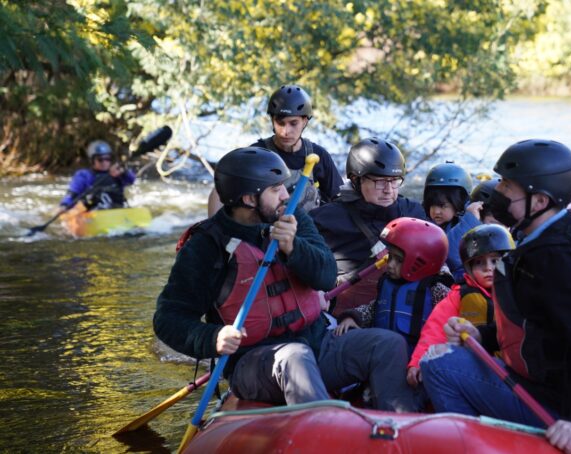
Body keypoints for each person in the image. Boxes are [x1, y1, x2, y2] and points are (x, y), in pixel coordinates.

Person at [420, 139, 571, 453]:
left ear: (539, 201)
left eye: (508, 186)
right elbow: (543, 328)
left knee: (438, 365)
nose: (497, 191)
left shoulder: (554, 258)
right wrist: (484, 335)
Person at [155, 147, 419, 412]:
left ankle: (400, 434)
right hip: (253, 362)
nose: (285, 195)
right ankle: (324, 432)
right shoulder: (206, 246)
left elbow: (327, 276)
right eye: (275, 189)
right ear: (248, 198)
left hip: (317, 344)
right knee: (295, 358)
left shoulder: (291, 216)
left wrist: (293, 247)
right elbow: (168, 319)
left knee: (387, 344)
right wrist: (212, 337)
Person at [310, 137, 426, 316]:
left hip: (402, 311)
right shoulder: (326, 218)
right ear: (356, 180)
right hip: (341, 317)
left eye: (394, 180)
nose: (389, 190)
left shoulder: (413, 213)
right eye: (380, 181)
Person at [207, 85, 343, 216]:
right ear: (272, 120)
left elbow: (340, 200)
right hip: (267, 234)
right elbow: (219, 192)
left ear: (305, 121)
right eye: (280, 123)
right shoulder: (257, 153)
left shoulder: (319, 155)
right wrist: (212, 232)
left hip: (309, 234)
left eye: (293, 123)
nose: (286, 131)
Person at [407, 224, 514, 387]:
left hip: (513, 370)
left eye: (495, 261)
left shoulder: (519, 291)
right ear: (469, 269)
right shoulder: (458, 295)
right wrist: (418, 361)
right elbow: (435, 329)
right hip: (474, 369)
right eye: (479, 263)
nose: (488, 268)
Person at [334, 217, 452, 351]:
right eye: (390, 256)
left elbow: (449, 328)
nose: (389, 265)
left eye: (399, 260)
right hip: (381, 353)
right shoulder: (388, 282)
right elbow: (376, 307)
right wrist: (354, 317)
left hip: (416, 362)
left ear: (421, 261)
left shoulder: (437, 291)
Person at [422, 162, 483, 281]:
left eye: (443, 206)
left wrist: (469, 220)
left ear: (458, 205)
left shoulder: (467, 224)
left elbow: (454, 255)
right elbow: (444, 254)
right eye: (432, 205)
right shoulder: (426, 226)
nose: (436, 211)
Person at [60, 140, 135, 210]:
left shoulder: (117, 173)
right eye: (100, 159)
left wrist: (124, 172)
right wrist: (65, 205)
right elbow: (72, 194)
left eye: (107, 159)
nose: (104, 162)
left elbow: (131, 180)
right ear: (92, 160)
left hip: (116, 211)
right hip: (94, 213)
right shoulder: (84, 175)